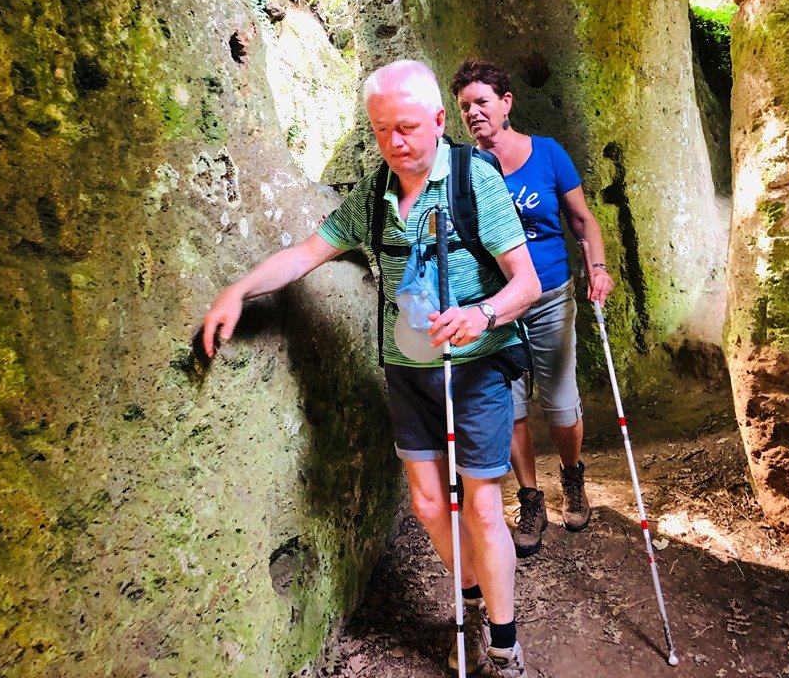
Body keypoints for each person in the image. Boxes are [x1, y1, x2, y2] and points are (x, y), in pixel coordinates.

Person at [201, 60, 540, 678]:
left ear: (438, 120)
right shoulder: (375, 194)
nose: (394, 142)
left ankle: (502, 641)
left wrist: (482, 314)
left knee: (484, 507)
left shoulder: (474, 182)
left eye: (406, 127)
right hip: (408, 371)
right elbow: (308, 252)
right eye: (381, 130)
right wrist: (239, 290)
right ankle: (469, 597)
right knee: (429, 505)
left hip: (475, 369)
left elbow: (527, 283)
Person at [450, 59, 615, 558]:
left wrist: (598, 267)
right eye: (464, 106)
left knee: (560, 402)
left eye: (482, 101)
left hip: (548, 297)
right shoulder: (461, 168)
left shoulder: (547, 154)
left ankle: (572, 476)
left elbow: (582, 221)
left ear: (506, 103)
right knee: (512, 406)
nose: (473, 112)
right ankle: (530, 498)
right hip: (494, 304)